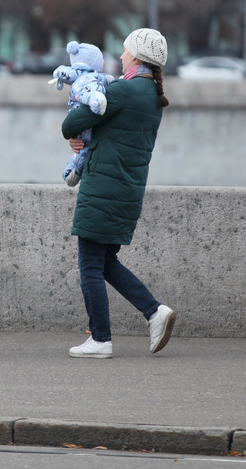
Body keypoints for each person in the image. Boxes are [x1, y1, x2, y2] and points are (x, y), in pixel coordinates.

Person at [62, 28, 176, 359]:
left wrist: (80, 133)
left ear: (138, 55)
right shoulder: (153, 97)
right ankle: (155, 312)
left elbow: (71, 123)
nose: (122, 56)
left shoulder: (124, 90)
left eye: (126, 51)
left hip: (103, 189)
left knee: (89, 267)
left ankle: (100, 339)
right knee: (105, 262)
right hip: (127, 190)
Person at [51, 41, 113, 187]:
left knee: (83, 148)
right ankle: (94, 99)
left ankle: (72, 170)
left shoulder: (92, 78)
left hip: (100, 170)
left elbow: (70, 124)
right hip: (103, 167)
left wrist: (71, 131)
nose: (121, 57)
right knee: (82, 147)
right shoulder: (89, 79)